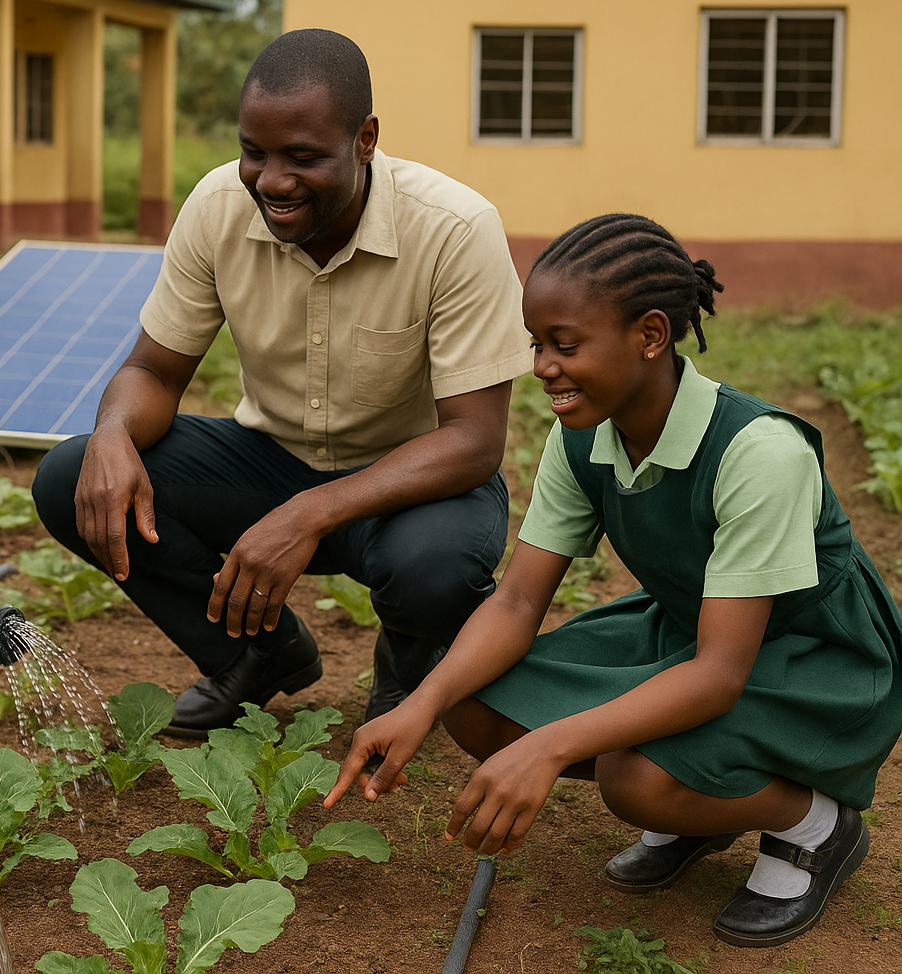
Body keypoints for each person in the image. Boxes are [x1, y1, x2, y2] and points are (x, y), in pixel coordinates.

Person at [326, 214, 902, 948]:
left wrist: (549, 747)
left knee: (634, 780)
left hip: (813, 656)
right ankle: (702, 803)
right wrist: (421, 702)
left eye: (565, 345)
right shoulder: (584, 436)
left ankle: (813, 825)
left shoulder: (759, 451)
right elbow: (518, 598)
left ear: (651, 336)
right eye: (537, 344)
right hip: (692, 627)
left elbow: (720, 675)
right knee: (468, 703)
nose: (542, 366)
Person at [33, 29, 530, 735]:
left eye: (303, 157)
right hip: (266, 465)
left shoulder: (454, 228)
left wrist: (308, 514)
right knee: (70, 476)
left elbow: (475, 442)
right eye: (254, 152)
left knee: (436, 566)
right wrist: (111, 434)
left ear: (365, 139)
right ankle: (258, 655)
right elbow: (152, 368)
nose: (271, 180)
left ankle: (409, 656)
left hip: (412, 487)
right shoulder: (216, 208)